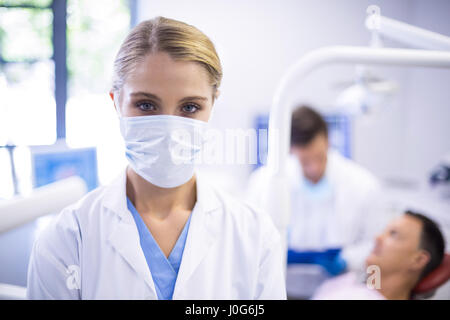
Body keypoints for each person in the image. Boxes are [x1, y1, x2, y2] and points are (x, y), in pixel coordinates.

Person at [27, 17, 286, 300]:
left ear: (213, 105)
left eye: (189, 107)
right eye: (147, 105)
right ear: (116, 102)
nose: (169, 128)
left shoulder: (255, 236)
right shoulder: (67, 240)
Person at [247, 105, 387, 298]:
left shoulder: (364, 185)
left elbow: (376, 243)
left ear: (328, 141)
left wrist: (346, 259)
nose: (313, 168)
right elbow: (249, 237)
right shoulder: (264, 182)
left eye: (318, 158)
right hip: (280, 288)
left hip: (339, 291)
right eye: (305, 161)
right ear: (290, 150)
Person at [313, 210, 446, 300]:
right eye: (384, 231)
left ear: (418, 260)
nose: (378, 238)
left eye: (393, 234)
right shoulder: (350, 282)